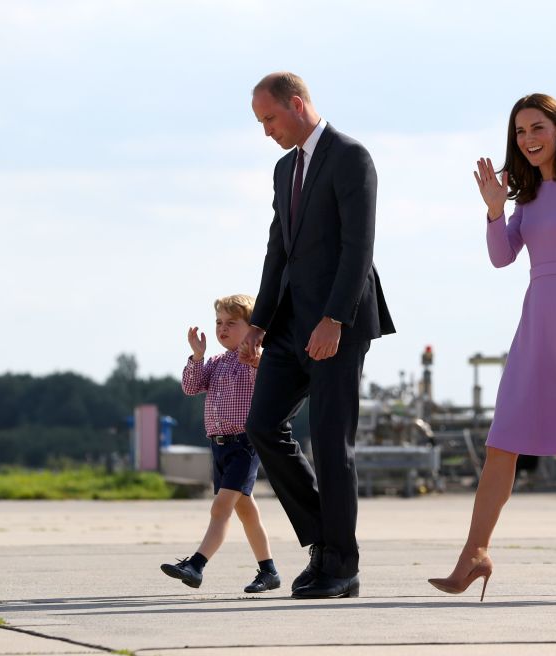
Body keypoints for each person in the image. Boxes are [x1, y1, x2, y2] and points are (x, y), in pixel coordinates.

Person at [428, 93, 556, 601]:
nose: (528, 139)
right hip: (536, 319)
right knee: (504, 439)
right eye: (520, 131)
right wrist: (496, 212)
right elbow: (502, 258)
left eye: (537, 127)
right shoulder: (527, 195)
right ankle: (474, 555)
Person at [241, 72, 395, 600]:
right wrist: (258, 323)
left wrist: (336, 319)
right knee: (262, 425)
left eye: (270, 118)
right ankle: (323, 542)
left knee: (331, 445)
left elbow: (359, 249)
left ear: (297, 104)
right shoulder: (285, 169)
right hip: (288, 326)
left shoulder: (351, 157)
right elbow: (277, 251)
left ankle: (341, 565)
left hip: (337, 325)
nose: (266, 131)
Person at [160, 294, 280, 594]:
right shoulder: (216, 363)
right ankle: (269, 571)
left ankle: (197, 565)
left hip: (244, 445)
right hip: (219, 446)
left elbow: (269, 382)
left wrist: (255, 357)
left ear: (253, 328)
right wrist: (197, 356)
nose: (222, 329)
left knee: (221, 507)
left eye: (231, 323)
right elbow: (190, 387)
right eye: (218, 323)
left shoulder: (256, 361)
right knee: (246, 512)